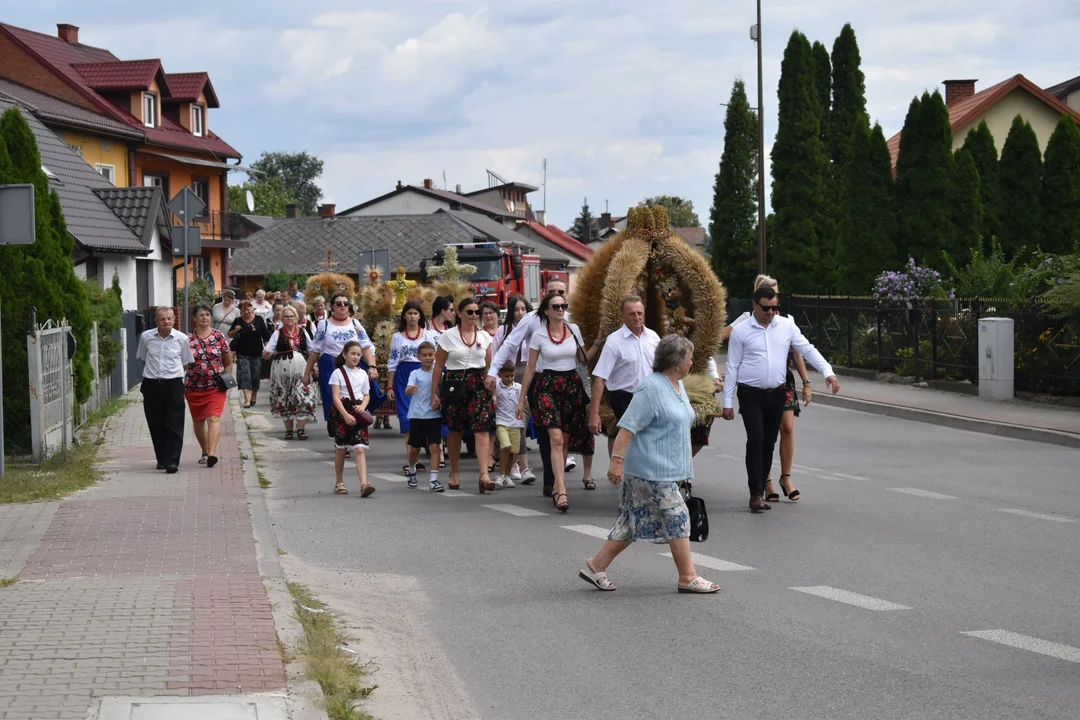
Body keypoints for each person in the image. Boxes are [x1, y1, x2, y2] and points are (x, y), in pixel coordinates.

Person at [578, 335, 720, 594]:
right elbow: (627, 427)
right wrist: (616, 463)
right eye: (689, 357)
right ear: (676, 361)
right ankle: (687, 576)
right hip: (650, 470)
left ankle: (595, 565)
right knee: (678, 517)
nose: (691, 361)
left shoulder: (676, 385)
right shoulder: (651, 388)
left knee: (632, 524)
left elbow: (680, 420)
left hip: (665, 469)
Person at [722, 285, 840, 512]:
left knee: (769, 442)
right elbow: (733, 367)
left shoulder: (786, 326)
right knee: (755, 439)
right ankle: (755, 492)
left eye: (775, 307)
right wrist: (727, 403)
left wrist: (828, 372)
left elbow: (807, 349)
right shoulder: (742, 331)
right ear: (755, 305)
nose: (771, 312)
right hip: (750, 393)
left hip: (776, 393)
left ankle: (763, 489)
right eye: (766, 308)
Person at [488, 279, 576, 497]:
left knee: (564, 433)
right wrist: (492, 371)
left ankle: (558, 479)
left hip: (567, 381)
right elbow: (510, 344)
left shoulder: (571, 321)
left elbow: (583, 353)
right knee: (548, 432)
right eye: (553, 294)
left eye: (561, 295)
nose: (558, 304)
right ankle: (551, 480)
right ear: (545, 296)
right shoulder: (531, 319)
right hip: (539, 380)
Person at [517, 291, 597, 512]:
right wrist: (521, 397)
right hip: (547, 386)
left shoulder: (574, 330)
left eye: (563, 306)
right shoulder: (539, 335)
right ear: (546, 311)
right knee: (555, 437)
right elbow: (531, 368)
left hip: (571, 385)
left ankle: (556, 486)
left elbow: (582, 359)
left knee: (564, 440)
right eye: (556, 307)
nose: (561, 310)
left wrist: (598, 343)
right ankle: (561, 489)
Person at [431, 297, 496, 493]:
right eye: (470, 312)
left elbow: (489, 366)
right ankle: (454, 471)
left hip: (479, 383)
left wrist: (493, 391)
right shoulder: (448, 336)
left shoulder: (484, 337)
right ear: (459, 313)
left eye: (477, 312)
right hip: (455, 383)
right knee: (455, 429)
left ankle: (484, 474)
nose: (474, 316)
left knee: (482, 428)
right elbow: (439, 366)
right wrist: (434, 393)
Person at [588, 296, 660, 455]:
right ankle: (622, 471)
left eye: (639, 313)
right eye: (632, 314)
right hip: (624, 398)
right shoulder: (614, 341)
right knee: (632, 440)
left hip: (650, 397)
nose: (637, 317)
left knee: (649, 441)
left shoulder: (654, 338)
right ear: (623, 316)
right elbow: (600, 378)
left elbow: (662, 371)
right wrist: (594, 414)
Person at [304, 293, 381, 422]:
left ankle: (355, 420)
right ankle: (337, 425)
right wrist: (307, 373)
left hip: (353, 365)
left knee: (358, 394)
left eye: (346, 303)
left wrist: (372, 367)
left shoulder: (355, 323)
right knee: (332, 397)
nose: (343, 306)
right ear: (332, 307)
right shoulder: (324, 325)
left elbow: (366, 346)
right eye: (339, 304)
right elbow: (315, 350)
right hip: (330, 365)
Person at [136, 306, 193, 473]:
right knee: (156, 423)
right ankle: (161, 458)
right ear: (156, 321)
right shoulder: (146, 337)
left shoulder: (182, 338)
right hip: (152, 384)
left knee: (175, 423)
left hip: (174, 384)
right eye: (163, 319)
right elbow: (143, 358)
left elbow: (186, 362)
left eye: (169, 318)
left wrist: (172, 374)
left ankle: (172, 461)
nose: (166, 322)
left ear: (174, 320)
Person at [387, 301, 437, 466]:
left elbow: (435, 361)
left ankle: (434, 454)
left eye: (416, 313)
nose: (412, 317)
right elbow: (392, 362)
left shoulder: (429, 335)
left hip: (426, 376)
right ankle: (412, 463)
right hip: (403, 377)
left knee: (427, 416)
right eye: (409, 313)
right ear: (404, 316)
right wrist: (389, 386)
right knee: (407, 420)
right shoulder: (397, 337)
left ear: (420, 316)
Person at [492, 295, 535, 484]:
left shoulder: (534, 329)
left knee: (521, 422)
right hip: (507, 375)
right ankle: (512, 463)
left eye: (523, 309)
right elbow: (495, 355)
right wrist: (494, 379)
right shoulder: (503, 330)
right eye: (517, 309)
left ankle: (521, 465)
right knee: (508, 423)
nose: (520, 313)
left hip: (526, 374)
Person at [185, 303, 233, 468]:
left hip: (215, 386)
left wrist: (227, 377)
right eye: (201, 315)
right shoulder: (187, 339)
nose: (205, 318)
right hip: (193, 387)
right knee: (198, 420)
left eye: (207, 314)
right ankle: (204, 451)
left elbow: (228, 360)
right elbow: (183, 364)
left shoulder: (219, 336)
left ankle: (211, 454)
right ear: (194, 318)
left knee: (213, 418)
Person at [327, 340, 374, 497]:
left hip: (358, 411)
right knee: (341, 448)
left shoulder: (362, 374)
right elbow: (335, 397)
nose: (356, 357)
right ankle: (339, 482)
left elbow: (367, 394)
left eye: (359, 354)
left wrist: (363, 406)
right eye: (353, 354)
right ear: (344, 354)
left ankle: (363, 484)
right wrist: (345, 415)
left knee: (360, 448)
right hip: (342, 411)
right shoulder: (338, 373)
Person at [264, 306, 318, 439]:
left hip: (301, 369)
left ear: (296, 318)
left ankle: (300, 427)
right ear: (281, 318)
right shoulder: (277, 333)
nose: (289, 319)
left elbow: (312, 350)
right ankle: (288, 429)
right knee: (284, 398)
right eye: (286, 316)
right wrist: (266, 353)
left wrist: (315, 366)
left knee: (305, 397)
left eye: (291, 316)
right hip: (281, 371)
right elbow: (269, 349)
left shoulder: (303, 331)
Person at [404, 342, 444, 492]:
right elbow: (407, 391)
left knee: (435, 447)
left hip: (434, 415)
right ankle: (412, 468)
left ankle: (434, 480)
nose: (428, 358)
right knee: (414, 448)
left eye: (430, 355)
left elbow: (442, 393)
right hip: (417, 415)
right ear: (418, 357)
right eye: (424, 355)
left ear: (435, 356)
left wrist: (439, 403)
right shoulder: (415, 374)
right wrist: (409, 389)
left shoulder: (440, 374)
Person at [228, 300, 271, 408]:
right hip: (242, 353)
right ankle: (247, 399)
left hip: (257, 353)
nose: (246, 312)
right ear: (240, 311)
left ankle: (254, 395)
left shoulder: (259, 320)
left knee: (255, 376)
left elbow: (266, 336)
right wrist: (236, 330)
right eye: (243, 310)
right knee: (244, 376)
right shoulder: (237, 321)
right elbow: (230, 334)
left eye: (248, 309)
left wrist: (267, 349)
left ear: (252, 309)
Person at [494, 361, 525, 489]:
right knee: (505, 447)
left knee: (513, 451)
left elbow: (524, 402)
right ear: (499, 375)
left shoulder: (518, 387)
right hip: (501, 421)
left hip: (515, 423)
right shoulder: (496, 386)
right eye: (506, 376)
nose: (509, 378)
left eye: (512, 375)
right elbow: (493, 396)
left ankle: (506, 476)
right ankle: (501, 475)